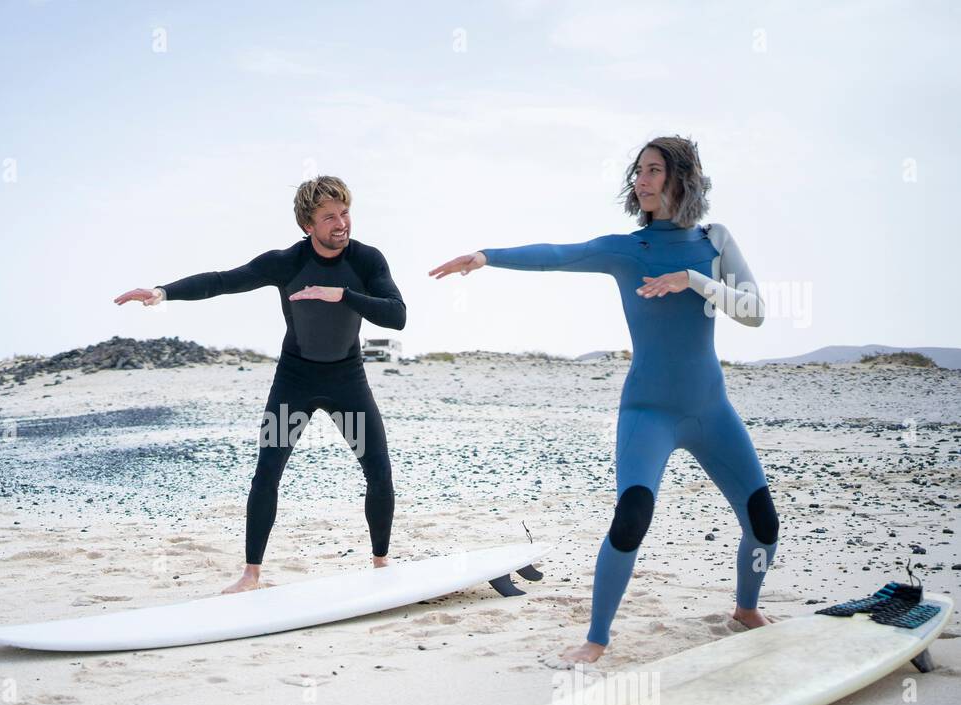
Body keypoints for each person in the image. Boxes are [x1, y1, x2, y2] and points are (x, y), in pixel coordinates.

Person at [429, 136, 778, 662]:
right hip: (648, 412)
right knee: (632, 516)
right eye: (639, 170)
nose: (642, 179)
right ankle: (596, 637)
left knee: (763, 522)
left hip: (711, 411)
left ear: (682, 178)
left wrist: (694, 280)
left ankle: (746, 608)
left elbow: (754, 313)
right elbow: (557, 256)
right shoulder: (627, 248)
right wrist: (486, 256)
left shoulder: (715, 240)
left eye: (655, 170)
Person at [114, 176, 406, 593]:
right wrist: (163, 291)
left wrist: (339, 294)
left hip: (348, 382)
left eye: (344, 213)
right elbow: (223, 280)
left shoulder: (367, 260)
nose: (341, 223)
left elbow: (396, 315)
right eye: (329, 217)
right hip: (295, 381)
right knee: (267, 472)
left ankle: (381, 563)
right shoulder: (286, 262)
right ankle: (251, 575)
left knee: (378, 471)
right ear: (308, 225)